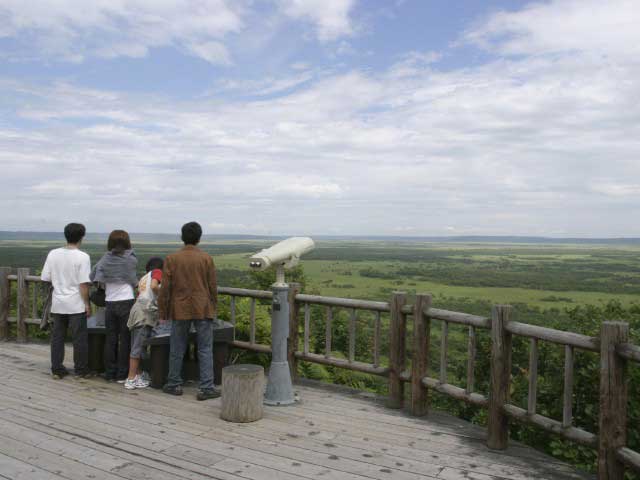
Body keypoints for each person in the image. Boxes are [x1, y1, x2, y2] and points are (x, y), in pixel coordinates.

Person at [158, 221, 218, 400]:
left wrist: (163, 311)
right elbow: (212, 286)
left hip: (179, 308)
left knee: (177, 347)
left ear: (182, 237)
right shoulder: (206, 258)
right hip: (203, 307)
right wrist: (213, 306)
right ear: (199, 238)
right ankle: (207, 387)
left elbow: (165, 288)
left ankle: (174, 384)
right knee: (205, 348)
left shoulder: (172, 258)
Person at [41, 223, 92, 379]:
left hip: (58, 302)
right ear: (81, 237)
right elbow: (83, 284)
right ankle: (81, 370)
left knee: (57, 338)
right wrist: (87, 303)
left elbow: (46, 277)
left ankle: (57, 369)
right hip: (76, 304)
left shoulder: (53, 254)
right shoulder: (83, 257)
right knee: (79, 339)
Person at [91, 230, 138, 382]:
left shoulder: (105, 260)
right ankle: (122, 374)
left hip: (110, 302)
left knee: (110, 339)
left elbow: (93, 275)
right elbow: (133, 280)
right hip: (127, 301)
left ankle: (109, 373)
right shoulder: (130, 260)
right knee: (125, 339)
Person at [124, 256, 164, 390]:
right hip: (145, 313)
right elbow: (154, 286)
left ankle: (139, 375)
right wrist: (163, 295)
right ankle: (131, 378)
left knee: (138, 346)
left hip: (136, 310)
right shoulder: (157, 272)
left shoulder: (143, 278)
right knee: (137, 347)